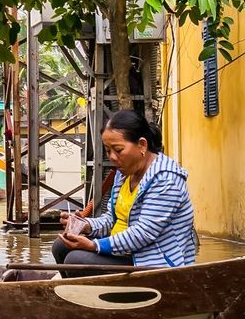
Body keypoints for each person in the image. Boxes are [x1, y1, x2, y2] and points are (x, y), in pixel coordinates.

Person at [52, 109, 197, 270]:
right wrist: (86, 225)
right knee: (61, 246)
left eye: (118, 150)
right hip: (127, 253)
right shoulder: (124, 175)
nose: (112, 157)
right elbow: (112, 220)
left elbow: (144, 233)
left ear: (142, 145)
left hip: (152, 261)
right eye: (108, 151)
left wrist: (94, 245)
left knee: (76, 260)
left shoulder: (166, 179)